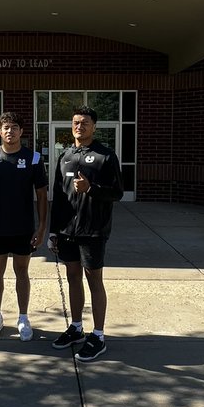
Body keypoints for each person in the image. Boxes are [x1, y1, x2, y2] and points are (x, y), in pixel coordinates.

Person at [48, 106, 124, 361]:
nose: (79, 126)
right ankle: (77, 328)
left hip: (93, 230)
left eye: (85, 123)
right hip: (67, 230)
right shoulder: (66, 155)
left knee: (94, 281)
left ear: (94, 127)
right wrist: (53, 231)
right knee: (72, 277)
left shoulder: (105, 156)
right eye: (76, 122)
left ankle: (99, 335)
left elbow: (117, 192)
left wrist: (91, 189)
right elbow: (58, 197)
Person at [0, 111, 48, 341]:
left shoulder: (34, 158)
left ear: (21, 131)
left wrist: (41, 227)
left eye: (14, 127)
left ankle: (23, 317)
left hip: (23, 228)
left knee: (22, 272)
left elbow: (42, 195)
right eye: (6, 127)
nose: (10, 131)